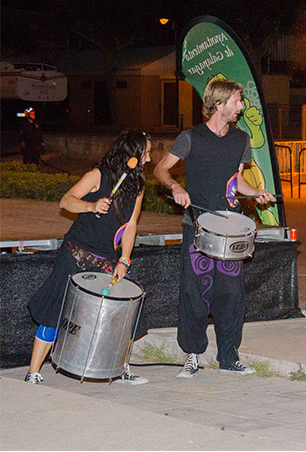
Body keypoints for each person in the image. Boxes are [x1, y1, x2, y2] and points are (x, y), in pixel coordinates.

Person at [154, 78, 274, 378]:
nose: (241, 107)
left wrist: (254, 193)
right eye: (236, 101)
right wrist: (175, 187)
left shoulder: (240, 140)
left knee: (231, 295)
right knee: (195, 292)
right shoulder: (190, 138)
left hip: (230, 229)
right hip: (197, 227)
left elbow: (237, 181)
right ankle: (193, 355)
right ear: (218, 104)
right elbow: (160, 169)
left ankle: (229, 357)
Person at [25, 130, 152, 385]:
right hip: (75, 254)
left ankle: (120, 367)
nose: (149, 158)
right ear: (132, 155)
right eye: (146, 153)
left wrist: (124, 260)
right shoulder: (97, 176)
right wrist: (91, 206)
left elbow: (131, 226)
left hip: (107, 258)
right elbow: (66, 201)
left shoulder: (138, 186)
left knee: (125, 313)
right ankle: (33, 372)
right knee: (55, 311)